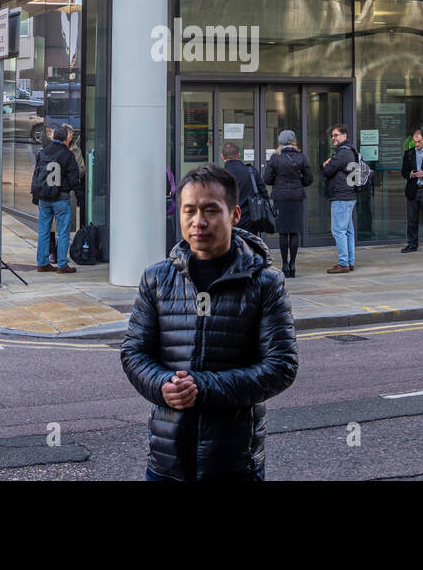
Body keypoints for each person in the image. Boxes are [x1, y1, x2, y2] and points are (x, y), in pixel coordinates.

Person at [120, 163, 298, 481]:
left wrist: (203, 387)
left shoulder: (266, 283)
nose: (198, 222)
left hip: (234, 462)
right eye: (189, 210)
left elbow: (281, 367)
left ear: (235, 215)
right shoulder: (156, 278)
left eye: (211, 210)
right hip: (167, 460)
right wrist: (162, 384)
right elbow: (134, 352)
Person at [31, 124, 82, 274]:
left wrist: (36, 196)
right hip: (61, 198)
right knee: (63, 233)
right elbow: (74, 179)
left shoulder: (43, 152)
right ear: (66, 138)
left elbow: (36, 175)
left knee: (43, 231)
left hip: (44, 198)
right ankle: (62, 264)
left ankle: (42, 263)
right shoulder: (67, 154)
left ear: (53, 137)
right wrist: (80, 197)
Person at [264, 129, 313, 277]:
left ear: (280, 142)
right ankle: (293, 264)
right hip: (296, 197)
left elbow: (267, 179)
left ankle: (285, 264)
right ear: (294, 141)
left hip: (281, 197)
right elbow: (309, 179)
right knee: (294, 231)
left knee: (283, 232)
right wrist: (299, 183)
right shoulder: (301, 157)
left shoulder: (275, 158)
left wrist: (278, 182)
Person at [321, 124, 358, 274]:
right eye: (332, 136)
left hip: (341, 196)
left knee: (338, 230)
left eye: (336, 135)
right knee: (347, 231)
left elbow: (328, 171)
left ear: (344, 136)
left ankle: (343, 263)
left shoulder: (342, 153)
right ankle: (349, 262)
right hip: (349, 195)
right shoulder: (351, 151)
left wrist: (325, 164)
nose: (333, 138)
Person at [221, 142, 270, 235]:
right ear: (239, 155)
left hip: (228, 220)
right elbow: (264, 192)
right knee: (249, 247)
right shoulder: (251, 171)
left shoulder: (219, 174)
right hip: (250, 220)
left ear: (222, 156)